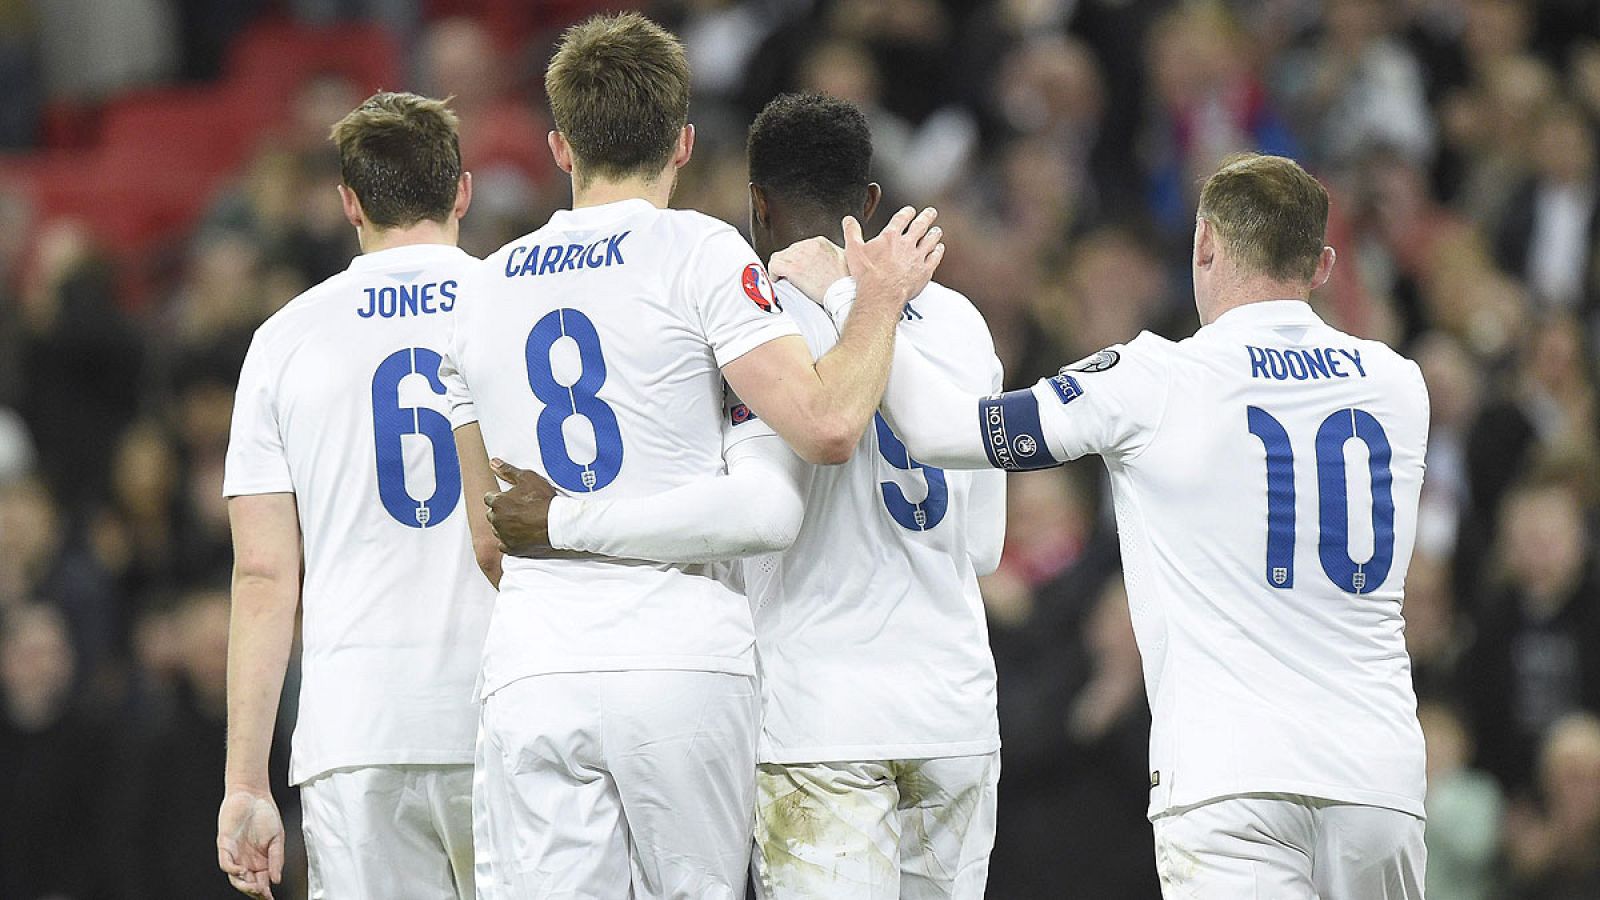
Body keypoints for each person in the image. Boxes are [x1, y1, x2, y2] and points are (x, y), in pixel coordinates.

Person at [781, 153, 1430, 898]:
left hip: (1230, 779)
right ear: (1320, 266)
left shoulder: (1154, 379)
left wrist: (852, 300)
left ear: (1206, 246)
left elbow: (940, 430)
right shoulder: (1398, 384)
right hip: (1380, 774)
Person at [440, 15, 943, 899]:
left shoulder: (480, 288)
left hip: (535, 665)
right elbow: (827, 424)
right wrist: (878, 304)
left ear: (561, 146)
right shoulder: (700, 252)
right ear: (684, 141)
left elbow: (491, 539)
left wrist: (565, 539)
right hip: (680, 654)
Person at [217, 92, 494, 900]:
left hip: (357, 729)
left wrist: (245, 781)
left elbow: (265, 577)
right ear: (462, 192)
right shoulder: (515, 308)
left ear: (349, 202)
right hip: (508, 711)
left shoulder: (283, 341)